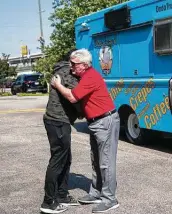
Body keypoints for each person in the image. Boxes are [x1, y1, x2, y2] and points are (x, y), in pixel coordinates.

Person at [51, 49, 120, 213]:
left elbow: (73, 97)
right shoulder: (84, 76)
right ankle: (96, 192)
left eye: (73, 64)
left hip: (105, 122)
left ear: (83, 64)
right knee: (96, 160)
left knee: (106, 163)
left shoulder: (90, 77)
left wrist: (57, 85)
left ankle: (110, 199)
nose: (71, 67)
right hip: (96, 123)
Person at [40, 50, 82, 214]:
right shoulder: (67, 73)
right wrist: (83, 112)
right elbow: (76, 97)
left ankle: (62, 195)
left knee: (65, 158)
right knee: (58, 159)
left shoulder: (60, 71)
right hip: (58, 121)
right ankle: (48, 202)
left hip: (56, 120)